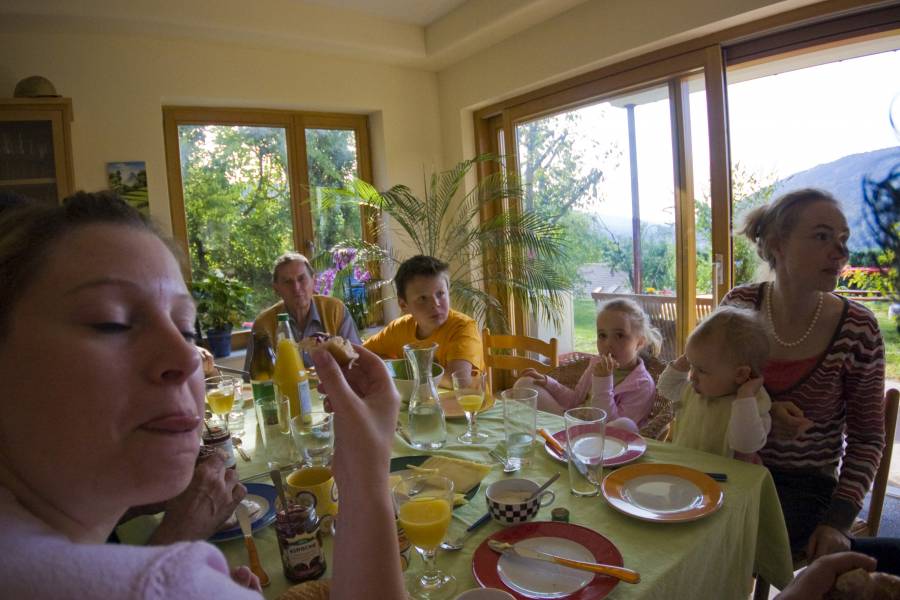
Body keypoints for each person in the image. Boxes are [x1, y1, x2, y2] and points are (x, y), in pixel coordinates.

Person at [0, 192, 405, 599]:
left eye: (187, 329)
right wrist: (366, 471)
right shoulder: (170, 587)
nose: (187, 357)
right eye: (112, 322)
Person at [722, 188, 885, 559]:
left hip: (803, 487)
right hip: (728, 462)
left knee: (722, 537)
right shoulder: (739, 305)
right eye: (822, 236)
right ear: (778, 244)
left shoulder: (858, 329)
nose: (841, 252)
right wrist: (762, 411)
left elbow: (868, 437)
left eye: (843, 239)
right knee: (679, 520)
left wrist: (838, 520)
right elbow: (701, 385)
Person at [512, 298, 660, 424]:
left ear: (640, 343)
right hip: (573, 423)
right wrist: (547, 382)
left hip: (605, 438)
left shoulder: (643, 385)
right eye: (602, 335)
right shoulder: (596, 364)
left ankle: (557, 433)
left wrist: (603, 381)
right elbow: (575, 400)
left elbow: (612, 425)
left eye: (619, 335)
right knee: (525, 384)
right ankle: (559, 432)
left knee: (624, 425)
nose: (608, 343)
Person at [658, 306, 772, 461]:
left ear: (740, 374)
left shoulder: (753, 402)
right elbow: (665, 388)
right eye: (692, 367)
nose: (692, 377)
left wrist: (745, 396)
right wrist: (688, 358)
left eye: (702, 370)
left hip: (724, 480)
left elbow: (745, 445)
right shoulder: (693, 390)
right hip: (685, 470)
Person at [364, 255, 483, 384]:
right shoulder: (399, 328)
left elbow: (458, 381)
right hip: (417, 401)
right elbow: (362, 353)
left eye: (440, 294)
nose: (435, 304)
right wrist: (393, 365)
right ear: (404, 305)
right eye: (423, 298)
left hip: (464, 403)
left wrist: (408, 369)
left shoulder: (463, 327)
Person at [244, 252, 361, 372]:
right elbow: (253, 378)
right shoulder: (263, 325)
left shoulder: (335, 310)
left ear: (314, 281)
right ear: (276, 289)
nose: (296, 288)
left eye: (301, 278)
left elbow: (358, 359)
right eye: (287, 282)